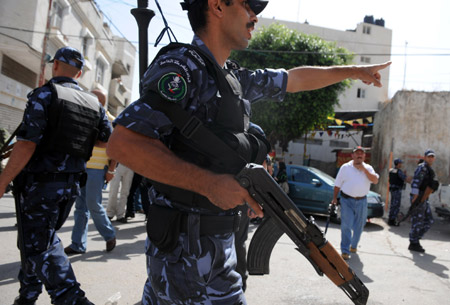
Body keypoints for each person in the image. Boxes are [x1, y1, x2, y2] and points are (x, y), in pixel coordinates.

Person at [106, 1, 390, 303]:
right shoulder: (182, 67)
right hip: (187, 251)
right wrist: (210, 184)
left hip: (217, 241)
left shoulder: (230, 77)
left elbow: (294, 79)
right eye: (248, 5)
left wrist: (353, 71)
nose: (255, 16)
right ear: (216, 6)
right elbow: (124, 143)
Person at [0, 46, 111, 305]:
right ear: (80, 73)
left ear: (56, 66)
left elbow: (26, 144)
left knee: (42, 244)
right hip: (69, 187)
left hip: (39, 185)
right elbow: (107, 141)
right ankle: (27, 296)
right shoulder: (94, 103)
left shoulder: (46, 94)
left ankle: (73, 299)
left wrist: (3, 180)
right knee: (35, 240)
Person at [64, 89, 117, 255]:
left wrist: (111, 170)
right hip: (81, 167)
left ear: (100, 101)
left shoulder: (111, 121)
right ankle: (77, 244)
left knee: (93, 204)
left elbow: (115, 149)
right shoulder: (84, 116)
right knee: (80, 207)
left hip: (97, 169)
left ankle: (109, 234)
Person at [331, 146, 379, 260]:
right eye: (357, 153)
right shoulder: (345, 167)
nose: (359, 155)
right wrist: (334, 198)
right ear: (352, 156)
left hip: (362, 201)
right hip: (346, 200)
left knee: (360, 225)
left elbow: (375, 180)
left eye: (361, 154)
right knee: (346, 225)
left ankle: (354, 245)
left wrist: (364, 170)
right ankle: (345, 250)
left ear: (364, 156)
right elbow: (337, 184)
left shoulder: (368, 168)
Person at [408, 149, 438, 253]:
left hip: (424, 197)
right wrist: (415, 197)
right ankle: (413, 242)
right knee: (418, 220)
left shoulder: (428, 169)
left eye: (432, 157)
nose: (430, 158)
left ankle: (416, 238)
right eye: (429, 156)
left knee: (429, 220)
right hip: (419, 196)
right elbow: (416, 182)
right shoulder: (423, 168)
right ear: (425, 157)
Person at [388, 158, 410, 226]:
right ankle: (393, 220)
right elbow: (404, 178)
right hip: (397, 190)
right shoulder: (399, 171)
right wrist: (405, 175)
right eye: (400, 163)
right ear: (398, 164)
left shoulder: (391, 170)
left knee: (392, 204)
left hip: (392, 189)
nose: (401, 164)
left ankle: (390, 219)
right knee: (396, 205)